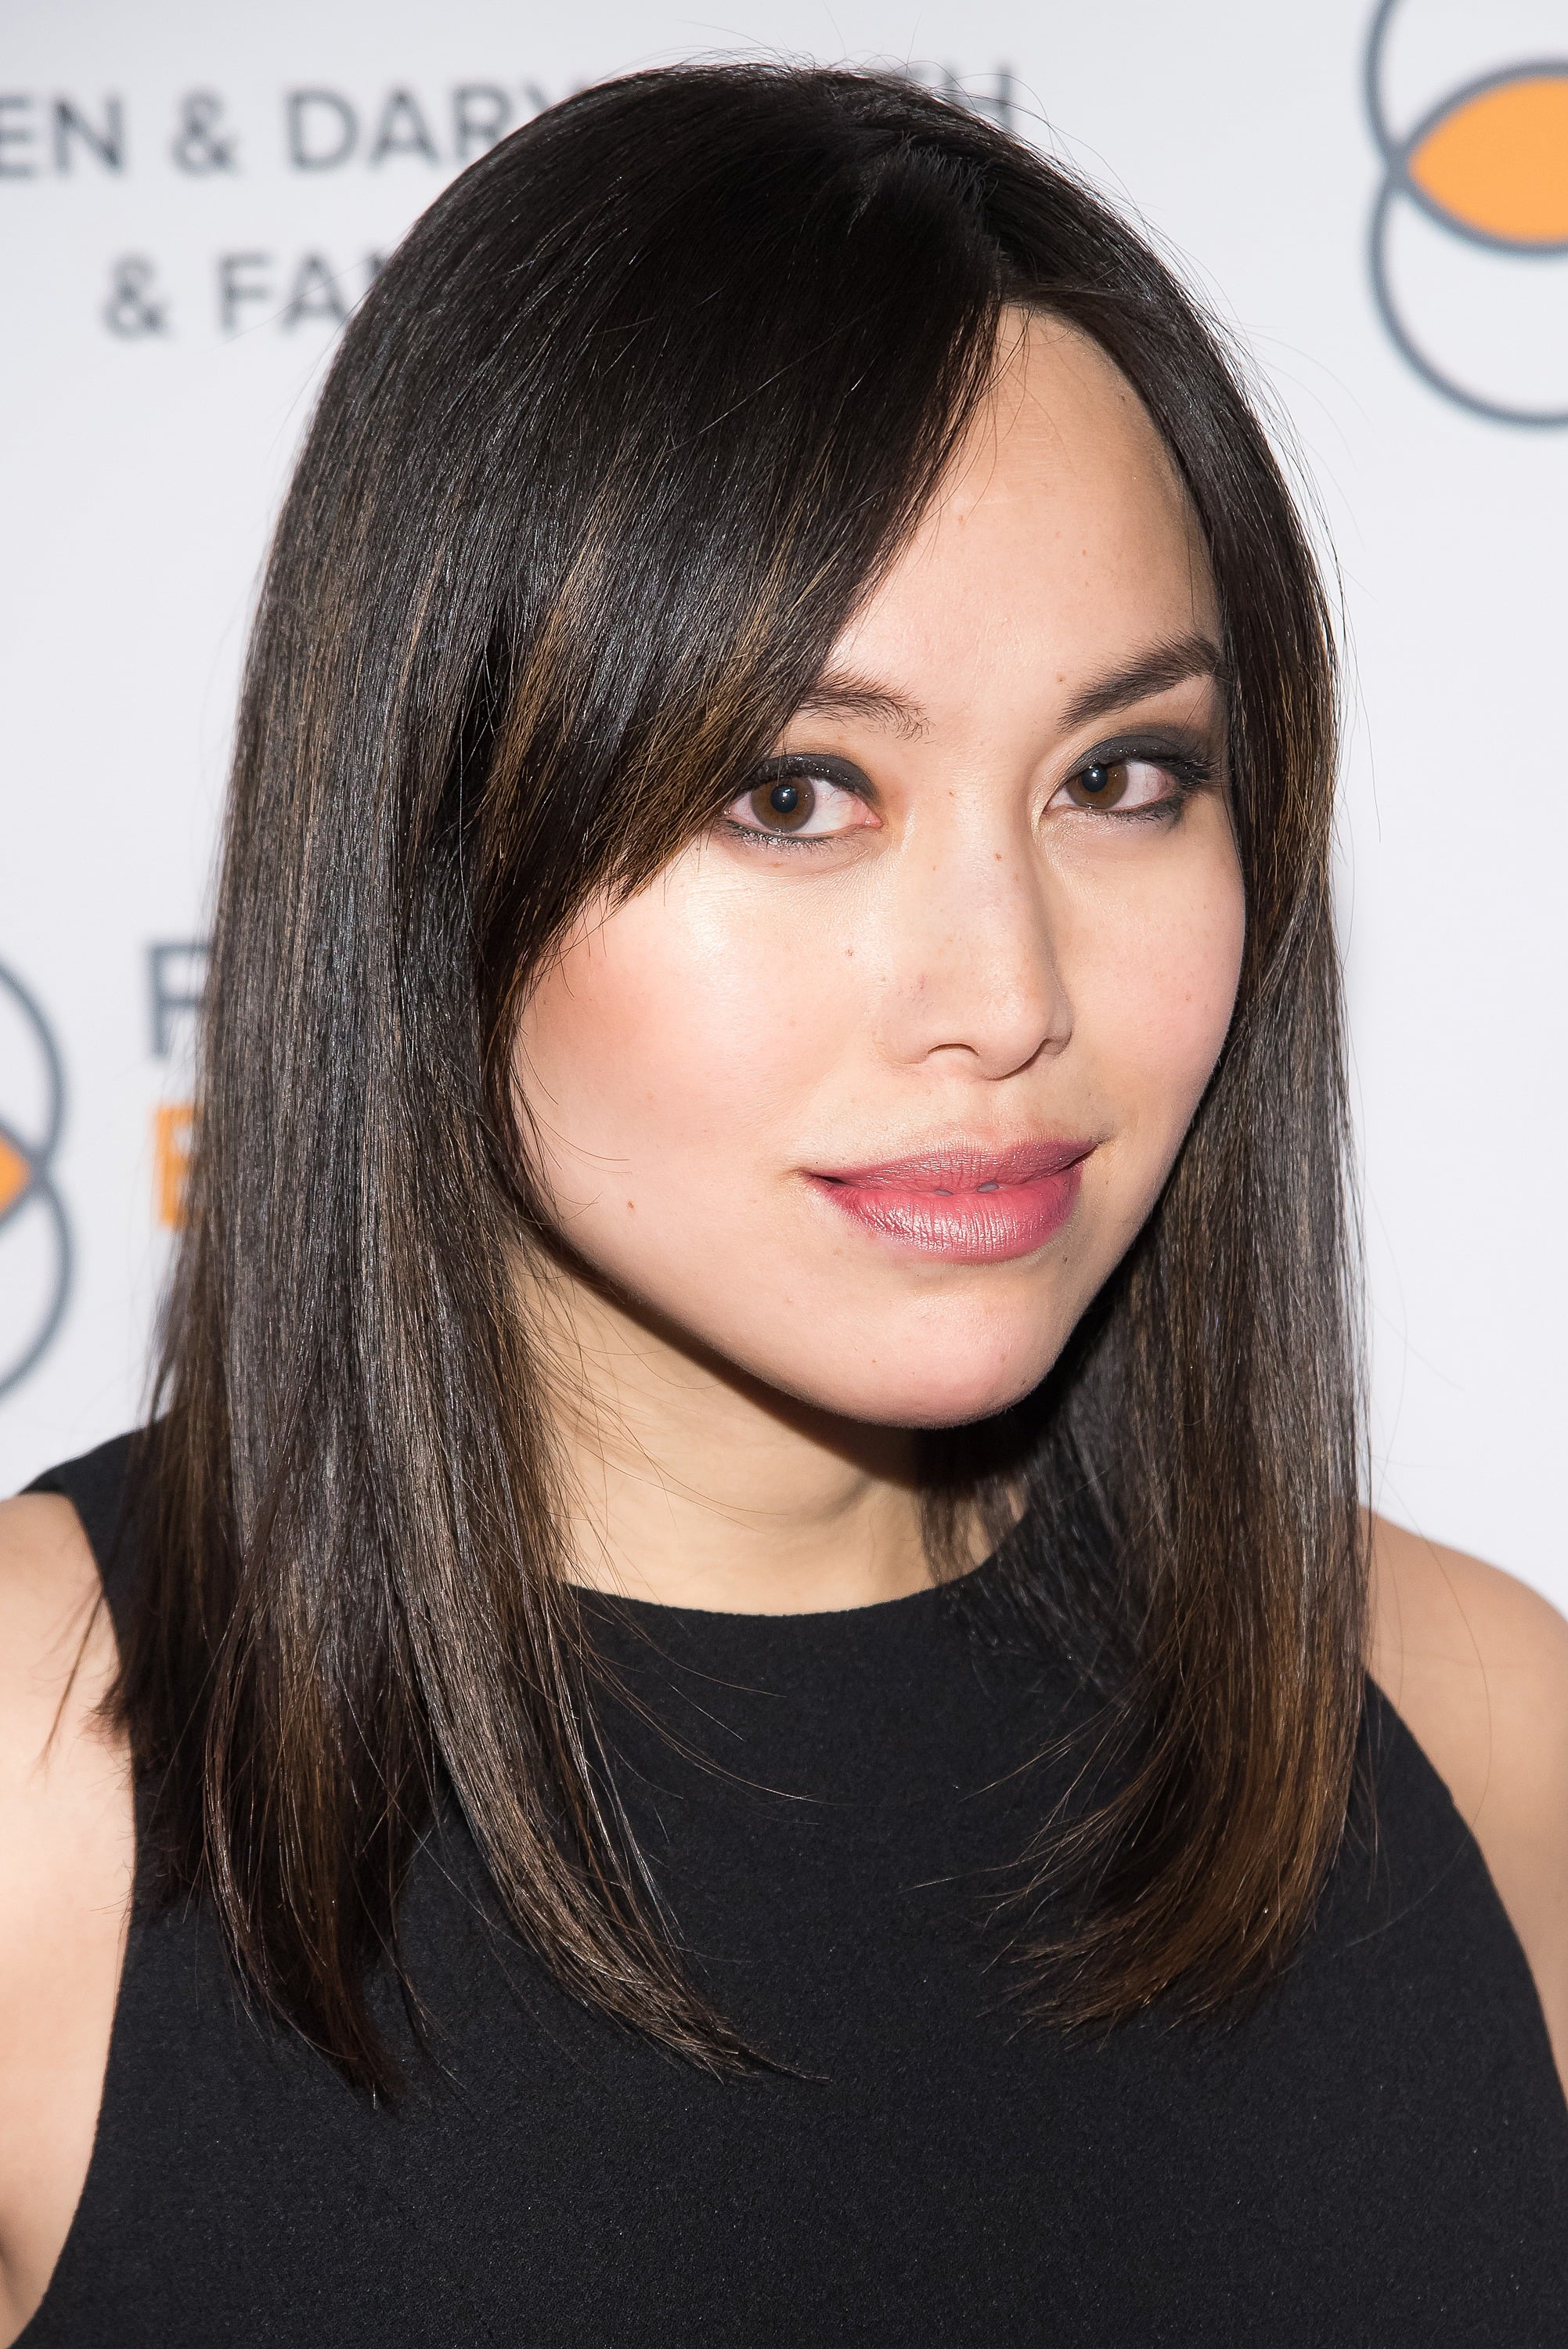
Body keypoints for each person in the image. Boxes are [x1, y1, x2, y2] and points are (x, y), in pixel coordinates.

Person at [1, 63, 1565, 2347]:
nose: (1007, 995)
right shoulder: (41, 1792)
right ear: (428, 829)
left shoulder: (1466, 1721)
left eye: (1123, 778)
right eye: (792, 789)